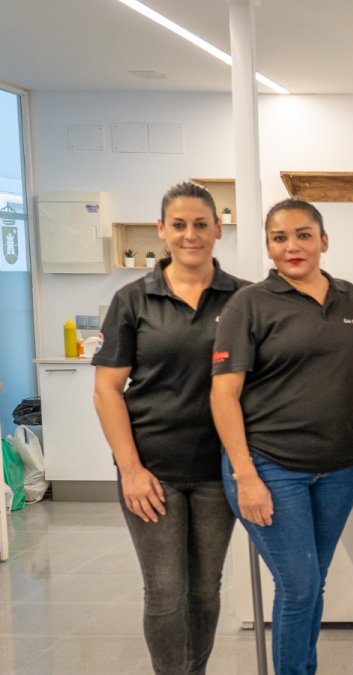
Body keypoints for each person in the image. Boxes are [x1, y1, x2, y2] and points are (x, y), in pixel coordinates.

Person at [210, 199, 353, 675]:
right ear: (268, 246)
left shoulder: (351, 298)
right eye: (280, 237)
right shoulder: (249, 304)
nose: (292, 246)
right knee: (299, 586)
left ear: (324, 240)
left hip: (341, 467)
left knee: (312, 582)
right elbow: (224, 396)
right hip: (270, 466)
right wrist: (245, 475)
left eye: (304, 234)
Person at [92, 181, 247, 675]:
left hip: (216, 470)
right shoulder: (133, 300)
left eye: (201, 224)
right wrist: (130, 469)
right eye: (178, 225)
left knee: (205, 589)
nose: (190, 235)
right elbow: (106, 391)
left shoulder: (244, 299)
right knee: (164, 590)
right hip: (151, 469)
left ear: (218, 229)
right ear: (161, 230)